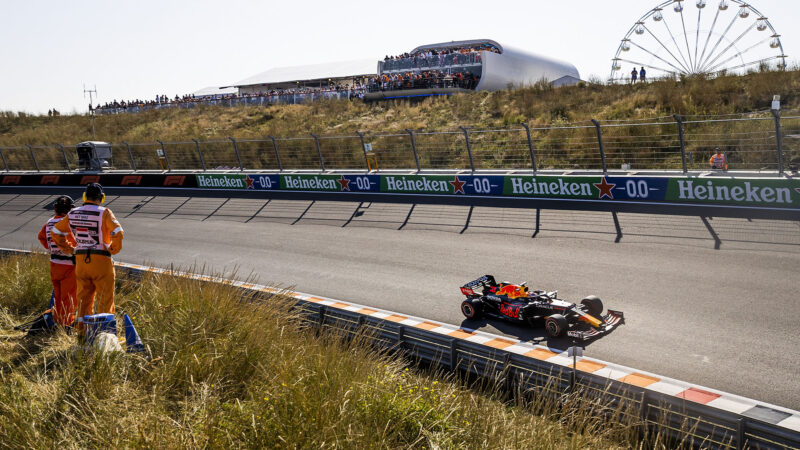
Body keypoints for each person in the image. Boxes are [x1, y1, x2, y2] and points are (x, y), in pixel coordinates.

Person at [51, 183, 124, 336]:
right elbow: (118, 231)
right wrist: (113, 249)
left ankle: (83, 335)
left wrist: (70, 249)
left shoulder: (72, 213)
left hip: (81, 261)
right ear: (102, 198)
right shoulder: (104, 212)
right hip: (101, 261)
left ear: (84, 197)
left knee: (83, 301)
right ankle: (104, 336)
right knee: (105, 300)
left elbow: (56, 231)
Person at [37, 195, 77, 326]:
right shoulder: (68, 223)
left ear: (55, 208)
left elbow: (41, 237)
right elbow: (73, 243)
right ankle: (64, 326)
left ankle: (56, 321)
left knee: (58, 298)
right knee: (68, 299)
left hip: (54, 265)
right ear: (70, 208)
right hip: (69, 266)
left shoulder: (49, 222)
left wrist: (51, 247)